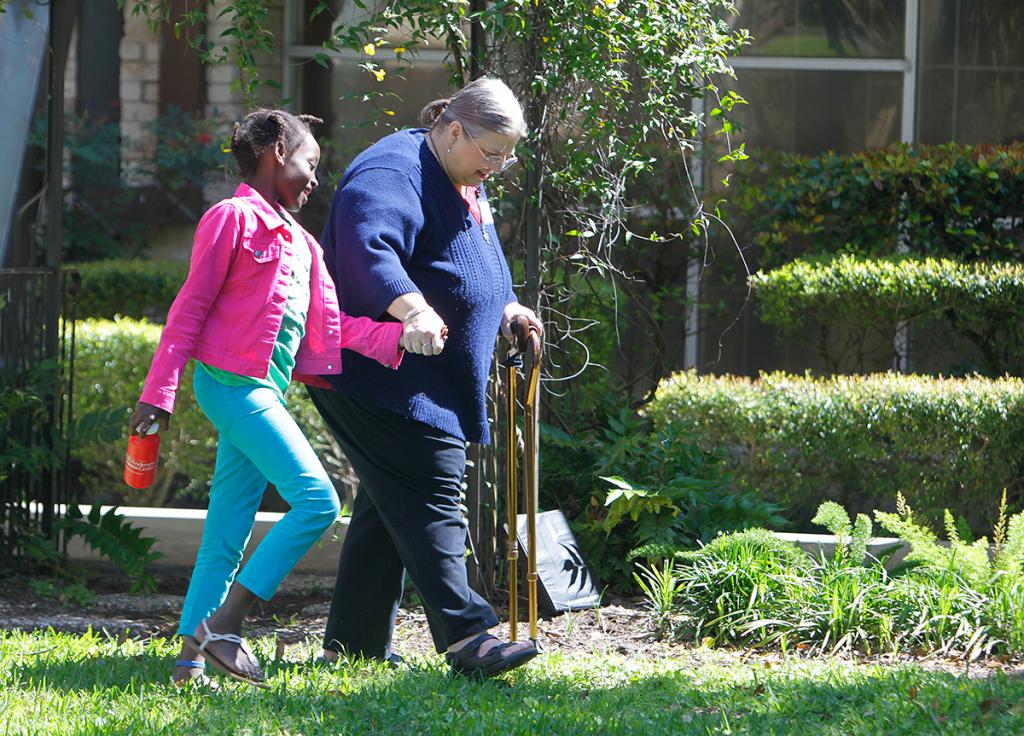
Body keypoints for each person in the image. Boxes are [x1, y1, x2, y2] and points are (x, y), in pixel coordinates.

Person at [129, 109, 406, 687]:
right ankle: (224, 627)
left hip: (263, 393)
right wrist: (158, 395)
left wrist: (399, 336)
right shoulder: (230, 219)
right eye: (310, 163)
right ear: (277, 152)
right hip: (231, 387)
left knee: (225, 531)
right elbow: (188, 312)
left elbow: (331, 329)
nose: (314, 178)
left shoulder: (304, 243)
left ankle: (187, 665)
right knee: (318, 502)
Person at [309, 77, 544, 678]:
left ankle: (352, 644)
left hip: (422, 377)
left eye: (508, 155)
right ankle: (468, 638)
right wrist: (412, 308)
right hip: (378, 371)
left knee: (390, 500)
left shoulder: (462, 174)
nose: (498, 165)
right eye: (491, 152)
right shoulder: (392, 169)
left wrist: (507, 306)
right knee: (434, 489)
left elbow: (475, 259)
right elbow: (368, 249)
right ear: (454, 129)